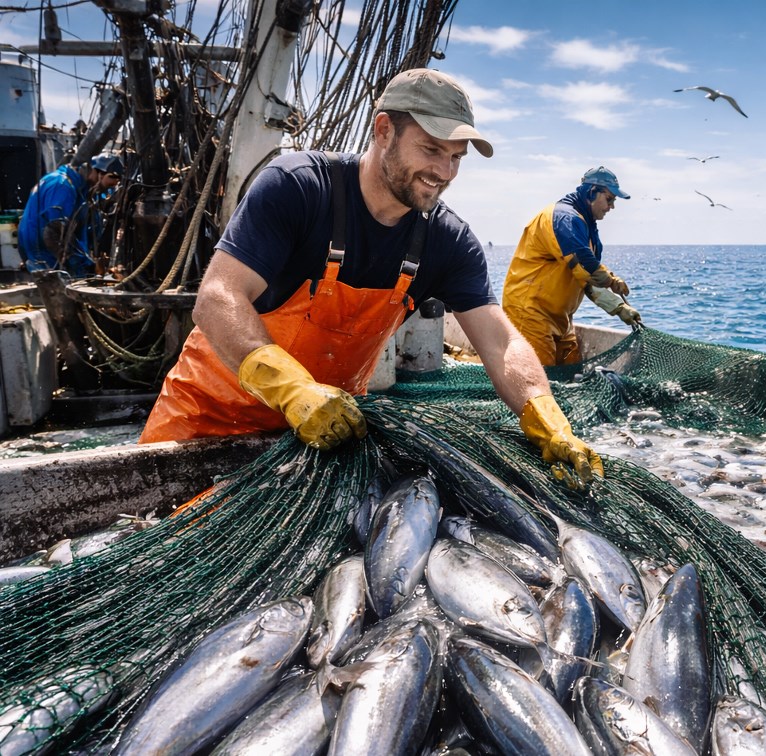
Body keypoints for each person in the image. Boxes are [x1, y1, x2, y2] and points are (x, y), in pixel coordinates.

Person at [139, 69, 602, 485]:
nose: (444, 172)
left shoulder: (448, 241)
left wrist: (544, 414)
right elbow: (218, 298)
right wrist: (292, 389)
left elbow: (501, 344)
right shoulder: (298, 187)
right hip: (204, 426)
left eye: (456, 157)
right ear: (383, 130)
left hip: (321, 444)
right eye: (431, 149)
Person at [502, 166, 641, 367]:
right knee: (538, 377)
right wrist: (610, 281)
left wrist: (619, 307)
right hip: (530, 313)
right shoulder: (564, 219)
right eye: (609, 199)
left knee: (571, 371)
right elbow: (584, 263)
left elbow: (586, 278)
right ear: (592, 192)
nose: (611, 206)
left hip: (561, 319)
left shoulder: (585, 226)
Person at [17, 153, 123, 278]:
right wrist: (81, 264)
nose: (109, 187)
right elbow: (54, 232)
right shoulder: (62, 185)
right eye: (111, 179)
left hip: (39, 249)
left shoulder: (74, 187)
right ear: (96, 172)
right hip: (44, 252)